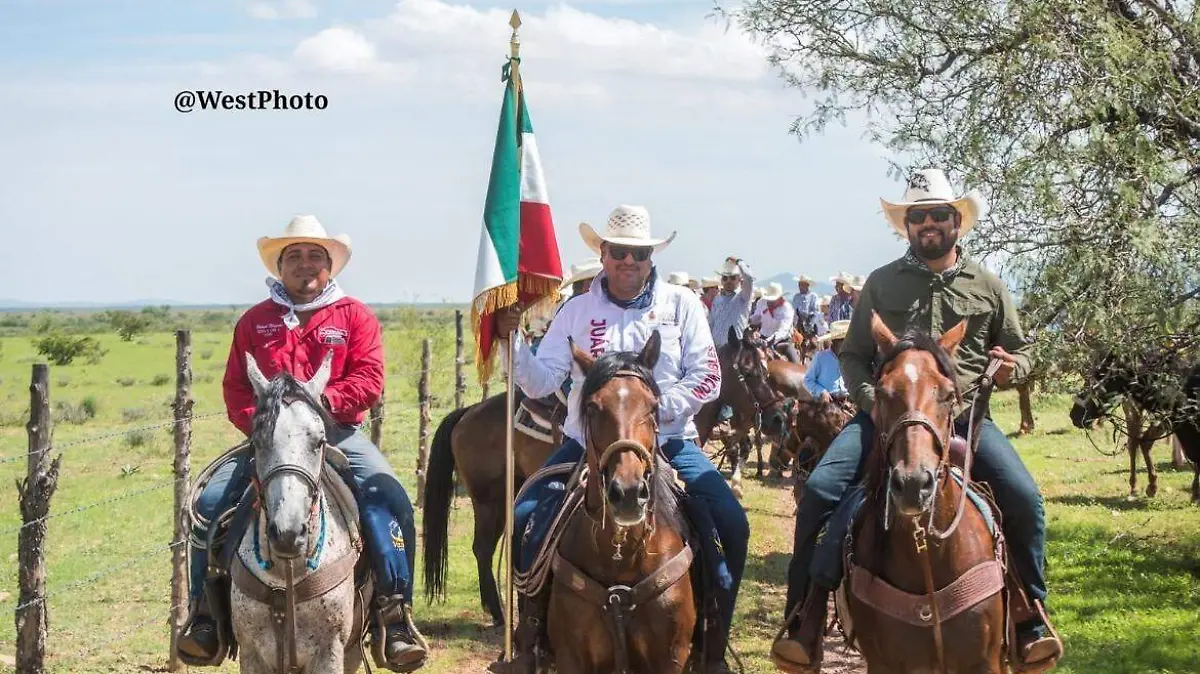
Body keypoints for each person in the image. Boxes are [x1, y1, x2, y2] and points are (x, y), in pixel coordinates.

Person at [771, 169, 1062, 673]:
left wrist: (1018, 367)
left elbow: (1020, 349)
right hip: (884, 420)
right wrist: (873, 402)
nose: (927, 223)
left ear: (957, 221)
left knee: (1025, 500)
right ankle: (806, 616)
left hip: (965, 418)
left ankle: (1028, 615)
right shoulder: (882, 283)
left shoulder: (987, 285)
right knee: (821, 491)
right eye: (917, 216)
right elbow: (856, 355)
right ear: (906, 225)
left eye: (937, 214)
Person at [494, 204, 749, 674]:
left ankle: (713, 648)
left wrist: (649, 414)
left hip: (669, 439)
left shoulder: (682, 305)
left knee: (731, 524)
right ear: (604, 255)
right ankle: (530, 642)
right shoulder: (576, 310)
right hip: (586, 443)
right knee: (527, 517)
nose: (628, 261)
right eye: (618, 252)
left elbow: (707, 375)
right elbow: (542, 379)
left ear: (651, 257)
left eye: (638, 253)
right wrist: (513, 344)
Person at [176, 216, 427, 672]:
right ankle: (205, 615)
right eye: (294, 256)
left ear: (330, 266)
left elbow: (369, 379)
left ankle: (395, 614)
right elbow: (236, 387)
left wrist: (316, 409)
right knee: (209, 504)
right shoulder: (256, 320)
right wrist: (266, 425)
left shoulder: (354, 316)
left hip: (337, 433)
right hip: (270, 442)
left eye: (315, 256)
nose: (304, 264)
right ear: (280, 265)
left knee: (390, 498)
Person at [709, 257, 756, 348]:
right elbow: (711, 323)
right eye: (725, 278)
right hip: (717, 347)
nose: (728, 281)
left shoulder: (743, 296)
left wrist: (740, 262)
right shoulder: (717, 299)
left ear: (739, 280)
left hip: (736, 348)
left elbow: (749, 277)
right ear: (721, 280)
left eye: (732, 278)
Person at [802, 320, 850, 404]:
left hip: (848, 401)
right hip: (828, 402)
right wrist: (821, 391)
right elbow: (807, 380)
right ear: (834, 342)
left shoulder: (851, 358)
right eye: (843, 342)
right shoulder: (820, 357)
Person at [753, 282, 800, 363]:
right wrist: (749, 321)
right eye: (769, 299)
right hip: (762, 338)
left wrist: (769, 341)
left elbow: (783, 330)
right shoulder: (761, 302)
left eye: (772, 299)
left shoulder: (787, 308)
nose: (770, 301)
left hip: (781, 341)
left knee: (796, 363)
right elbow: (756, 318)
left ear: (779, 297)